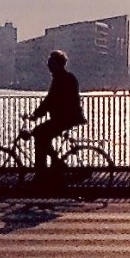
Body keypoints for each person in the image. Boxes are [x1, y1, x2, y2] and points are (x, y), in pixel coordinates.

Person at [26, 50, 86, 178]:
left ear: (57, 64)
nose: (48, 65)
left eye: (50, 62)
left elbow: (51, 99)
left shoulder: (62, 78)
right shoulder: (64, 77)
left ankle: (41, 174)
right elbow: (51, 100)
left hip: (66, 117)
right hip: (67, 117)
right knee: (42, 135)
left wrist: (36, 115)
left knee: (39, 134)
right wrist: (38, 113)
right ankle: (54, 168)